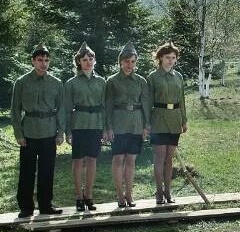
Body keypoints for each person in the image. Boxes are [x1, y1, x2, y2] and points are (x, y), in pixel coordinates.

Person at [10, 43, 64, 218]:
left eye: (46, 60)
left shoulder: (56, 83)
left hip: (49, 131)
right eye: (40, 60)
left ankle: (46, 205)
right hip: (29, 132)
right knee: (27, 170)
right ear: (33, 61)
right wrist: (19, 133)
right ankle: (26, 207)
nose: (43, 63)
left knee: (47, 170)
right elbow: (15, 110)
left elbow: (61, 109)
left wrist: (60, 132)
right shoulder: (22, 82)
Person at [105, 42, 151, 208]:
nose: (129, 65)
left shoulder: (141, 81)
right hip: (118, 123)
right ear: (120, 62)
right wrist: (108, 127)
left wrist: (146, 126)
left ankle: (129, 195)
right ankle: (119, 195)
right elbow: (108, 105)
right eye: (126, 61)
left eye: (132, 61)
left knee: (131, 160)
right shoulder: (112, 81)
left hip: (136, 124)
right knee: (118, 159)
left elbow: (146, 104)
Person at [62, 42, 106, 211]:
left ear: (95, 61)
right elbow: (66, 109)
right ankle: (78, 196)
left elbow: (105, 107)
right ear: (78, 62)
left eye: (91, 58)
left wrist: (106, 127)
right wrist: (68, 131)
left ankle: (88, 195)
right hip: (78, 124)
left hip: (96, 124)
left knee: (92, 160)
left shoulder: (101, 82)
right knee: (78, 160)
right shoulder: (71, 83)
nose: (88, 62)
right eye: (84, 59)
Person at [147, 41, 187, 204]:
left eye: (173, 57)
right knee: (159, 157)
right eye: (167, 57)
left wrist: (184, 120)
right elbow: (148, 102)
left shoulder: (178, 77)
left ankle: (168, 192)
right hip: (158, 119)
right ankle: (158, 192)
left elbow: (182, 100)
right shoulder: (153, 77)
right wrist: (148, 123)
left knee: (169, 159)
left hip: (174, 119)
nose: (170, 60)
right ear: (160, 58)